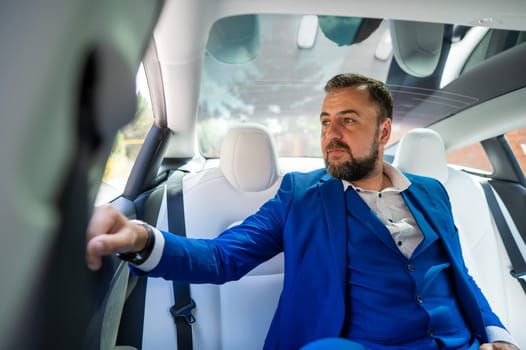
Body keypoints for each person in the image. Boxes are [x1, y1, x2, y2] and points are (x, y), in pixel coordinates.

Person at [86, 73, 519, 350]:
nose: (331, 133)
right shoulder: (301, 195)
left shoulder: (431, 192)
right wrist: (141, 239)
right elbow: (222, 257)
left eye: (348, 120)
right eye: (325, 121)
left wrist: (498, 337)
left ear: (383, 131)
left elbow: (460, 274)